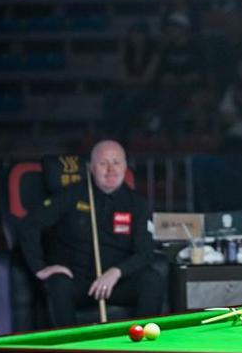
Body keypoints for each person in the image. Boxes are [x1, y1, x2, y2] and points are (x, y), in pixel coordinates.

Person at [18, 140, 165, 327]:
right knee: (58, 284)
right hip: (77, 283)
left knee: (152, 279)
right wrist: (40, 268)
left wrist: (116, 272)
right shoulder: (70, 195)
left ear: (125, 167)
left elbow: (145, 253)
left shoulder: (137, 204)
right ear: (91, 168)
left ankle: (140, 339)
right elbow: (29, 225)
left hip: (116, 283)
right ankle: (72, 343)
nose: (111, 169)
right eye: (103, 163)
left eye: (116, 162)